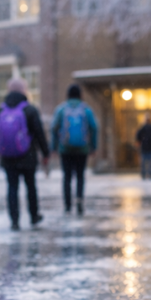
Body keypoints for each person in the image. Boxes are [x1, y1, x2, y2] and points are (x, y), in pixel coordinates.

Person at [0, 77, 50, 231]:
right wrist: (45, 153)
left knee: (12, 188)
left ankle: (14, 220)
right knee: (31, 186)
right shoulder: (29, 109)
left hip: (8, 157)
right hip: (28, 156)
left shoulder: (1, 110)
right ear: (24, 90)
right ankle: (34, 216)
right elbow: (39, 132)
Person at [51, 83, 98, 215]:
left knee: (66, 176)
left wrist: (54, 147)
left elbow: (54, 127)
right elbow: (94, 127)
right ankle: (79, 200)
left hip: (65, 149)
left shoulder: (61, 109)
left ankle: (67, 205)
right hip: (82, 149)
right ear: (81, 95)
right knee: (80, 176)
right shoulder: (86, 110)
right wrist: (93, 146)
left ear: (67, 95)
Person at [135, 114, 151, 180]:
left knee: (146, 162)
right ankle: (148, 174)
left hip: (147, 148)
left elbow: (138, 138)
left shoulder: (145, 128)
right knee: (148, 162)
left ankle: (145, 174)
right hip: (147, 147)